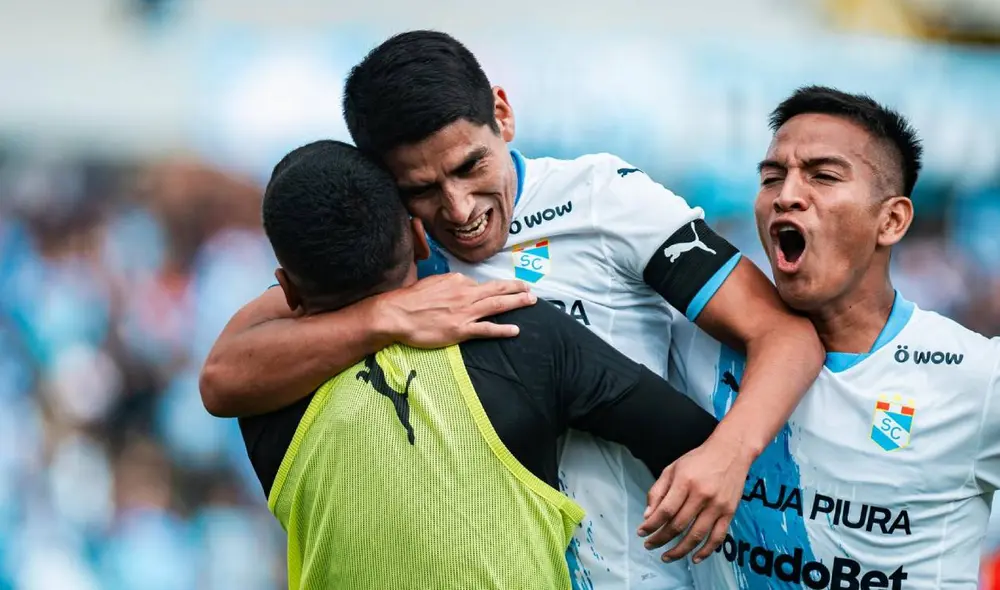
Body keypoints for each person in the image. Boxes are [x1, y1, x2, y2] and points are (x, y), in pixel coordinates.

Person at [200, 30, 825, 588]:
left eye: (470, 166)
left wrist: (728, 454)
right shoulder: (392, 261)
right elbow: (226, 373)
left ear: (502, 114)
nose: (460, 209)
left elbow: (784, 335)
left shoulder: (605, 199)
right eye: (421, 189)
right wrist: (383, 318)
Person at [248, 139, 720, 589]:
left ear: (286, 288)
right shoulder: (519, 333)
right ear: (418, 237)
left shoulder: (260, 393)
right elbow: (694, 442)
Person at [642, 86, 1000, 589]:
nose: (786, 194)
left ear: (892, 220)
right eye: (772, 177)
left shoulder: (975, 377)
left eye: (824, 176)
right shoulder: (690, 342)